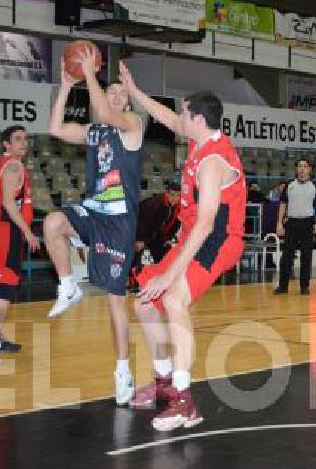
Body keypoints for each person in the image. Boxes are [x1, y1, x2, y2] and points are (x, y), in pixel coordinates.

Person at [122, 60, 247, 432]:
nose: (179, 116)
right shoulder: (199, 137)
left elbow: (208, 223)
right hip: (195, 237)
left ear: (197, 118)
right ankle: (162, 384)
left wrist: (171, 274)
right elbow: (166, 118)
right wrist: (134, 92)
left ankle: (184, 400)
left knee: (173, 297)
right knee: (144, 301)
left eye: (184, 112)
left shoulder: (213, 160)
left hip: (219, 240)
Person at [44, 48, 146, 406]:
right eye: (112, 91)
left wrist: (89, 73)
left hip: (119, 222)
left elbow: (104, 109)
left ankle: (123, 371)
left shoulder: (133, 125)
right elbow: (54, 128)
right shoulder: (94, 131)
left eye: (121, 93)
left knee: (115, 303)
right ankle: (69, 285)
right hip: (93, 211)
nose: (116, 97)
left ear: (128, 102)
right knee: (53, 222)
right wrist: (66, 84)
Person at [0, 126, 41, 352]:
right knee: (6, 284)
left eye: (26, 139)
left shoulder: (1, 165)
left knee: (2, 281)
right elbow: (7, 203)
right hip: (7, 229)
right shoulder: (14, 166)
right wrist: (27, 231)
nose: (23, 143)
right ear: (6, 144)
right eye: (18, 139)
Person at [274, 158, 316, 295]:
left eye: (305, 166)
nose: (302, 169)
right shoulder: (290, 185)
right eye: (300, 166)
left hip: (307, 223)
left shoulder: (315, 186)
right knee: (287, 256)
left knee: (306, 256)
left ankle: (304, 286)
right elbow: (283, 204)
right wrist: (279, 223)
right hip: (291, 223)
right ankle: (283, 286)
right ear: (297, 169)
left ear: (309, 169)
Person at [128, 183, 182, 292]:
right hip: (139, 230)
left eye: (177, 195)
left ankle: (163, 282)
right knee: (136, 257)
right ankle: (133, 283)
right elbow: (142, 221)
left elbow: (176, 224)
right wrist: (140, 239)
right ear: (166, 193)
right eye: (172, 195)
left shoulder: (179, 207)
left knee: (165, 255)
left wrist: (168, 239)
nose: (174, 198)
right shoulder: (156, 203)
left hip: (157, 235)